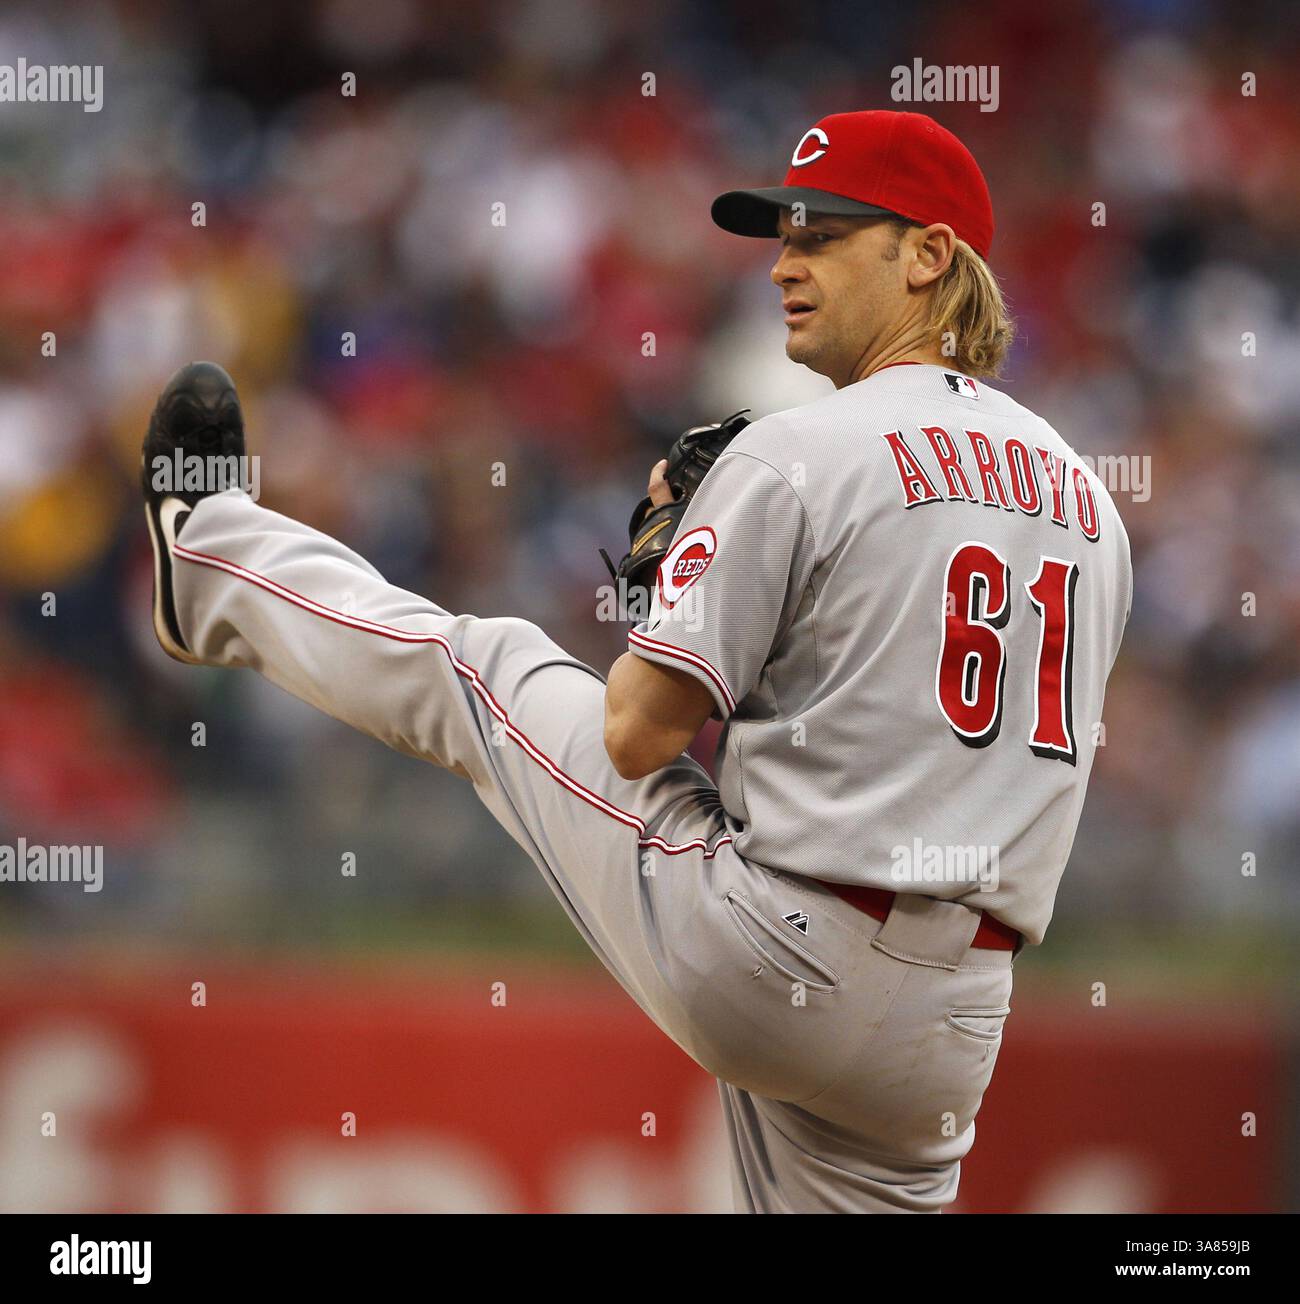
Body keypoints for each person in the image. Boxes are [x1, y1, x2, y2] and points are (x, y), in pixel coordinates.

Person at [142, 109, 1131, 1213]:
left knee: (484, 670)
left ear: (928, 254)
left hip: (771, 946)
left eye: (823, 235)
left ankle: (206, 561)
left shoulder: (800, 449)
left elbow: (635, 733)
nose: (784, 265)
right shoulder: (1090, 502)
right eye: (783, 238)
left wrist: (665, 593)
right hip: (953, 1024)